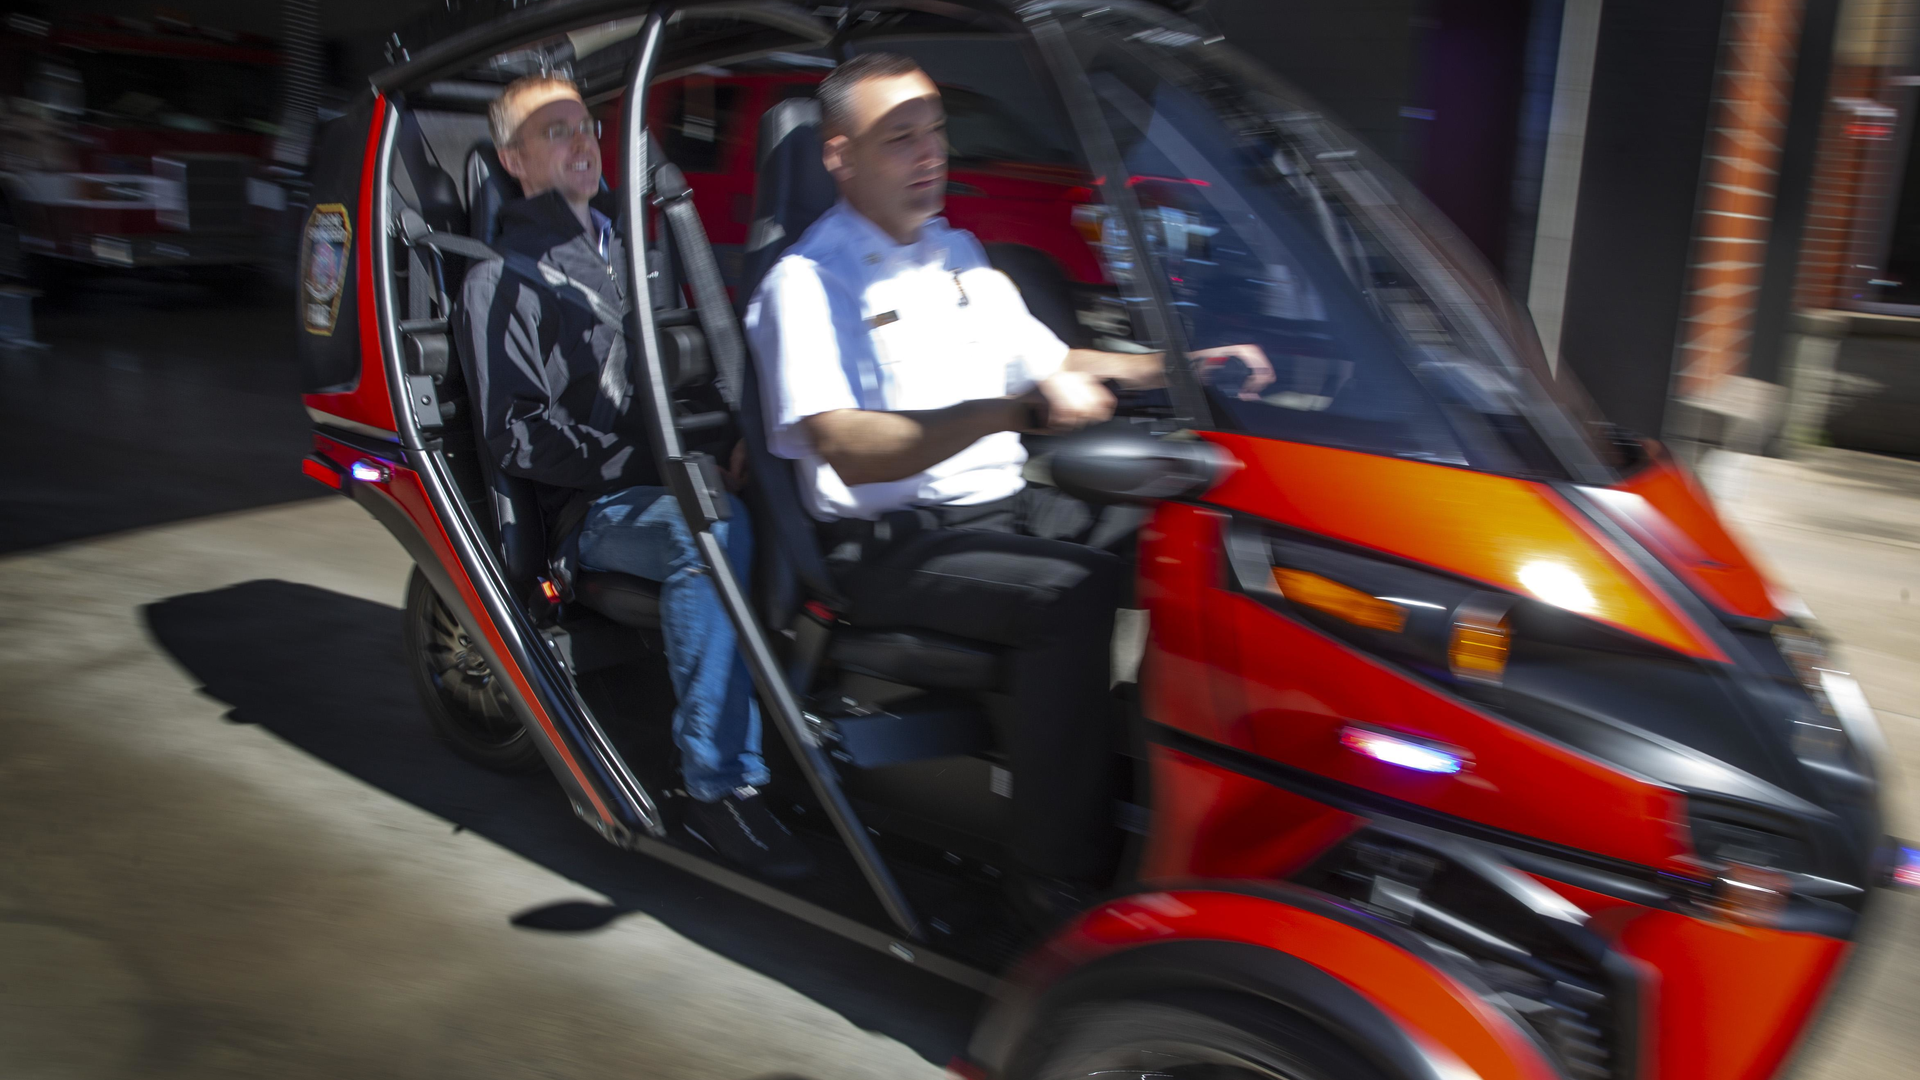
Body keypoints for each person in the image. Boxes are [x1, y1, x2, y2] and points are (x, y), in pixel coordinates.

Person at [743, 54, 1268, 914]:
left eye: (936, 130)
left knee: (1184, 522)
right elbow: (850, 448)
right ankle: (1058, 875)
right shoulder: (807, 282)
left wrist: (1180, 366)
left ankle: (1183, 778)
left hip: (1002, 510)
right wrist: (1012, 413)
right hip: (892, 548)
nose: (930, 153)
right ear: (837, 157)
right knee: (1075, 596)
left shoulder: (957, 252)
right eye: (899, 138)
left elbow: (1056, 362)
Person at [461, 75, 811, 879]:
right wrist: (654, 464)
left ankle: (809, 716)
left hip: (667, 472)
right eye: (554, 133)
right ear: (514, 162)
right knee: (712, 532)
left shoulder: (641, 254)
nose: (581, 141)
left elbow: (691, 363)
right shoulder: (500, 282)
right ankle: (717, 784)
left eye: (584, 125)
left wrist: (738, 436)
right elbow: (517, 435)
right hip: (596, 509)